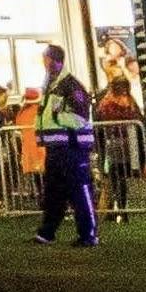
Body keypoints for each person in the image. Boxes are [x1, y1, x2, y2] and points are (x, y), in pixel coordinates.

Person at [29, 42, 101, 246]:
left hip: (72, 147)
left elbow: (80, 117)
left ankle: (88, 235)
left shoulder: (71, 85)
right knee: (53, 192)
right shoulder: (53, 85)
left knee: (79, 190)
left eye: (46, 59)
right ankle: (46, 233)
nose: (44, 63)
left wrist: (58, 118)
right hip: (56, 148)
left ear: (54, 61)